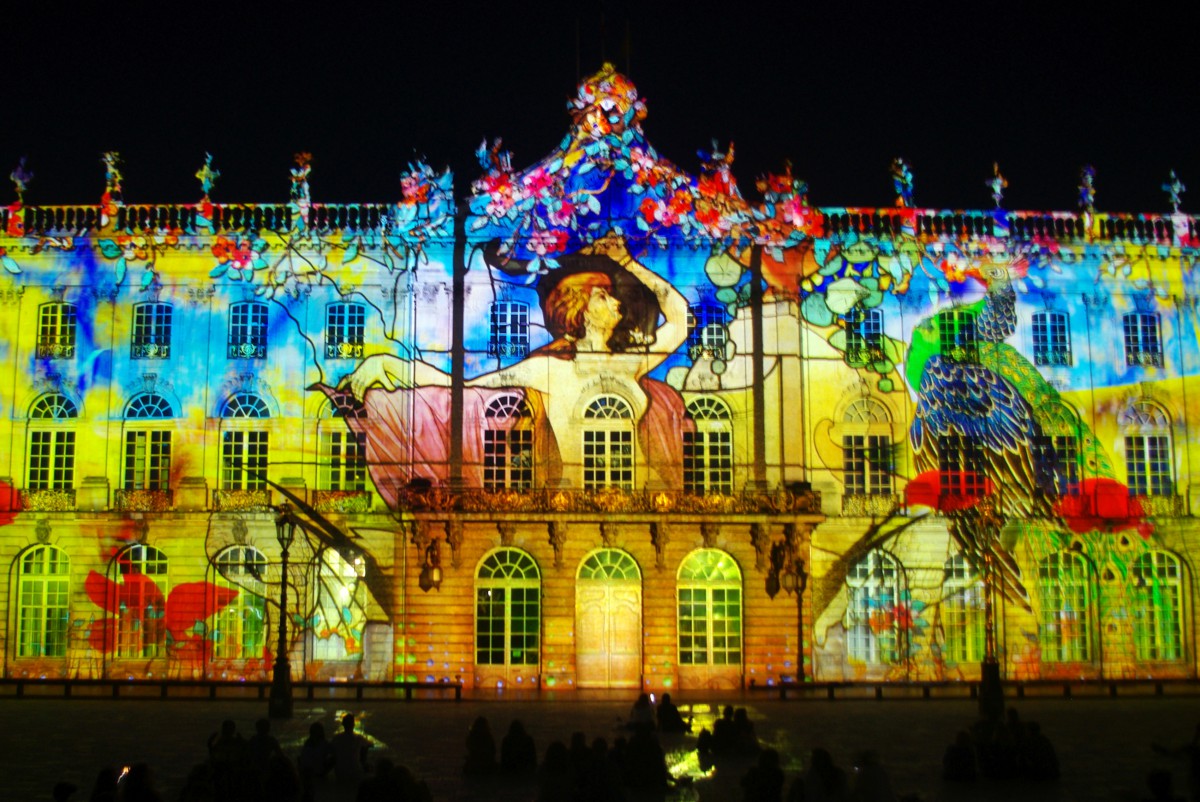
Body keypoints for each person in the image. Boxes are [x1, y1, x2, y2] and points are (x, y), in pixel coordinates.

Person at [333, 233, 691, 498]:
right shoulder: (549, 369)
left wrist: (628, 262)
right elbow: (463, 384)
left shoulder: (629, 365)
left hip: (646, 495)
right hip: (570, 499)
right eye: (602, 295)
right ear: (579, 310)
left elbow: (680, 317)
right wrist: (390, 363)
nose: (615, 302)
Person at [330, 714, 371, 785]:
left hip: (340, 773)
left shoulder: (336, 738)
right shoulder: (359, 738)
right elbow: (370, 744)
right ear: (353, 724)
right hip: (356, 772)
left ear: (343, 724)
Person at [297, 722, 333, 801]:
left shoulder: (307, 743)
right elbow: (333, 753)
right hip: (318, 772)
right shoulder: (324, 743)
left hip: (306, 773)